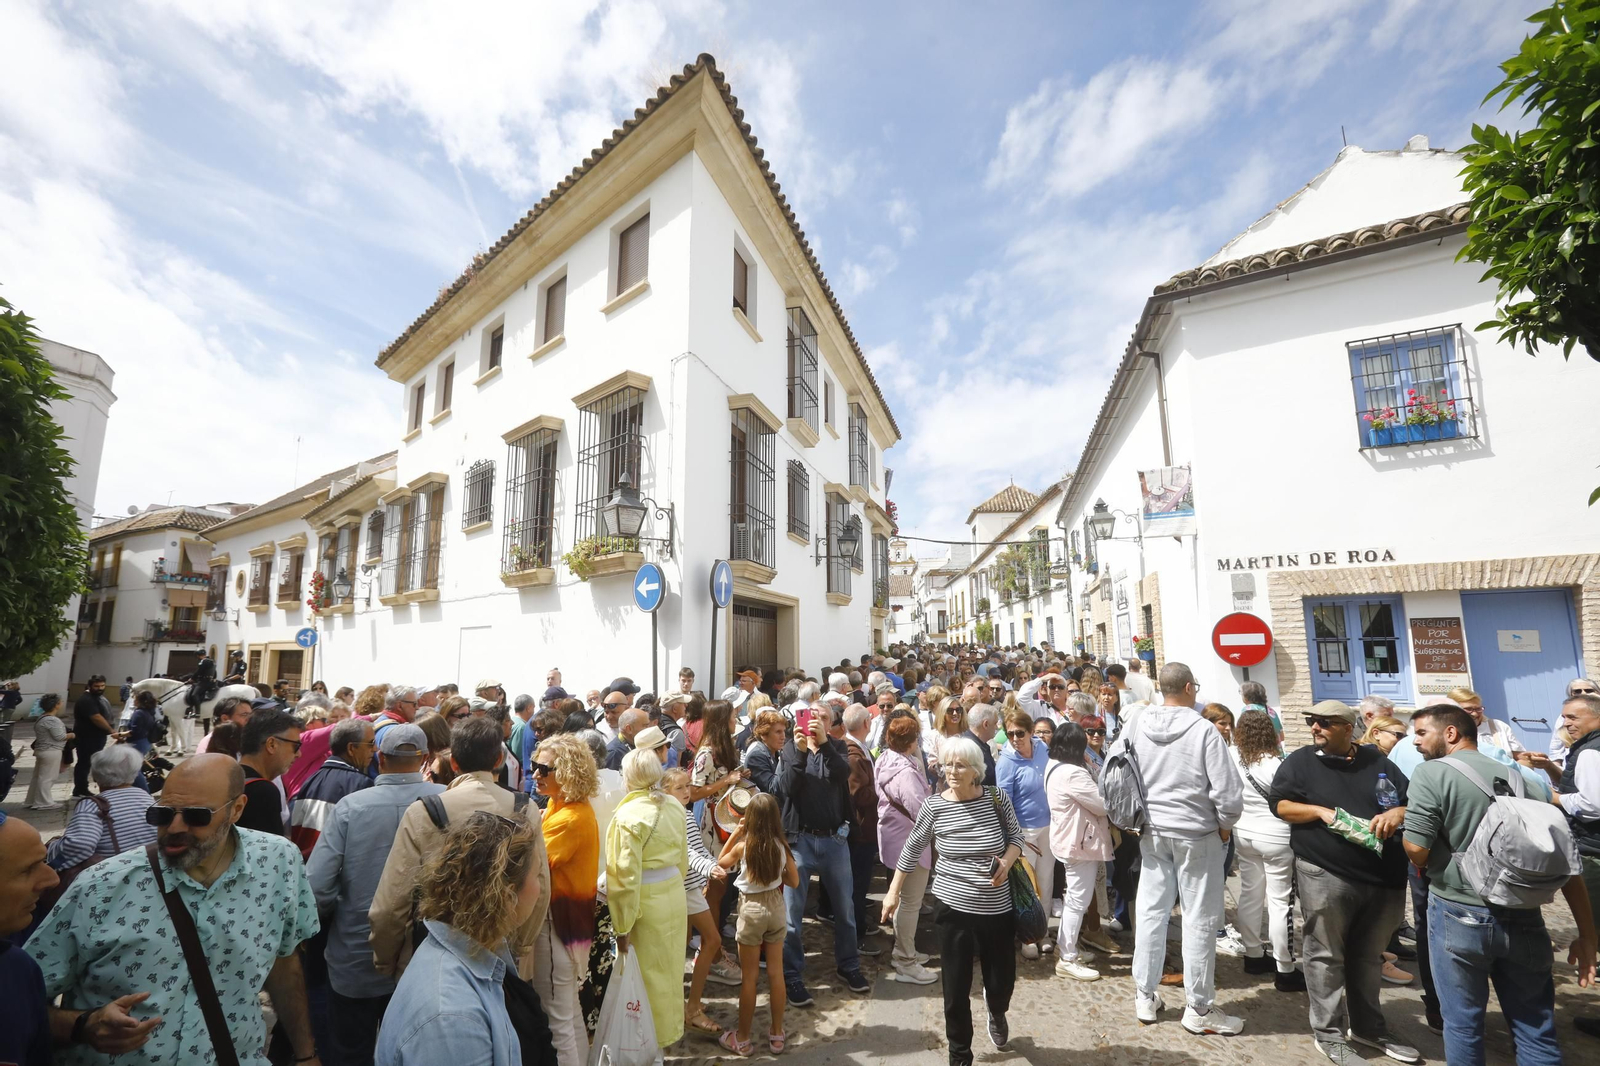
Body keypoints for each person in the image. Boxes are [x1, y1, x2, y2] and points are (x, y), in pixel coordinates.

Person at [29, 754, 324, 1066]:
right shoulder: (101, 887)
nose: (175, 827)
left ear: (236, 810)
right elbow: (17, 998)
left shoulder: (279, 862)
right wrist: (81, 1027)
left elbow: (283, 962)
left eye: (197, 816)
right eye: (163, 813)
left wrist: (305, 1054)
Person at [1403, 703, 1597, 1066]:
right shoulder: (1525, 780)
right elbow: (1567, 862)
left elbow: (1416, 851)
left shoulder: (1431, 775)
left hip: (1457, 912)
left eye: (1421, 732)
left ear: (1450, 733)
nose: (1414, 741)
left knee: (1462, 1025)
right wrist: (1588, 935)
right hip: (1525, 915)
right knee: (1535, 1028)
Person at [1269, 699, 1415, 1064]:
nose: (1315, 727)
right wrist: (1319, 811)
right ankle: (1329, 1033)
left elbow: (1413, 801)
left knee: (1367, 957)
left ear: (1348, 728)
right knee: (1325, 955)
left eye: (1325, 723)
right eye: (1312, 721)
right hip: (1325, 871)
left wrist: (1399, 811)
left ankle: (1369, 1029)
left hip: (1383, 877)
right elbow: (1281, 805)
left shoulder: (1378, 762)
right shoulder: (1301, 762)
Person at [369, 718, 551, 979]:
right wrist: (520, 944)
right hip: (500, 948)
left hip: (434, 953)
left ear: (453, 762)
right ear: (499, 758)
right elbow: (539, 885)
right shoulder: (524, 808)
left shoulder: (423, 812)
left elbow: (391, 903)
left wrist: (386, 960)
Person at [881, 737, 1024, 1066]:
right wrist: (893, 892)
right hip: (952, 907)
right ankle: (959, 1054)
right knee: (956, 987)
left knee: (1002, 980)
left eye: (960, 765)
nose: (952, 772)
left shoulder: (997, 799)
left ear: (976, 770)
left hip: (997, 908)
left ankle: (997, 1010)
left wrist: (1007, 860)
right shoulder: (934, 806)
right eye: (947, 765)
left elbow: (1016, 837)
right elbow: (912, 849)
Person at [306, 723, 443, 1066]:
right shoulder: (447, 799)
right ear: (425, 758)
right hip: (427, 956)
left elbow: (318, 887)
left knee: (351, 1051)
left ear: (380, 758)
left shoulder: (352, 807)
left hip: (357, 952)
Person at [377, 810, 557, 1066]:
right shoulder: (452, 1018)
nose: (541, 888)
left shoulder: (479, 952)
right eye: (538, 874)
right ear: (507, 897)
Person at [1128, 661, 1244, 1034]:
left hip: (1153, 831)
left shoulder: (1137, 724)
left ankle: (1145, 995)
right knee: (1200, 918)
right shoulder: (1204, 731)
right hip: (1197, 833)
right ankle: (1199, 1007)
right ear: (1190, 688)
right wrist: (1225, 826)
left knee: (1151, 912)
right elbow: (1228, 794)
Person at [774, 705, 869, 1004]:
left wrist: (824, 746)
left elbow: (841, 775)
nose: (816, 722)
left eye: (823, 718)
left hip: (833, 841)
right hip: (800, 841)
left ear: (831, 724)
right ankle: (792, 975)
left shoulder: (838, 747)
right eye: (811, 717)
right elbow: (786, 788)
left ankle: (849, 965)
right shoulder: (791, 749)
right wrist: (802, 752)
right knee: (792, 915)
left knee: (845, 910)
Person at [605, 747, 689, 1049]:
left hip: (646, 903)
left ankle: (646, 1044)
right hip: (673, 894)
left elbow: (623, 877)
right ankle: (667, 1035)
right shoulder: (673, 805)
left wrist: (622, 925)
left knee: (646, 979)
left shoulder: (627, 815)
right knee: (670, 971)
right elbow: (683, 860)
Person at [530, 734, 600, 1066]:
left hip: (557, 924)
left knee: (558, 1022)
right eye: (534, 766)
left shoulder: (569, 818)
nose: (535, 775)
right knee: (569, 1012)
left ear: (568, 771)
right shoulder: (563, 807)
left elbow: (529, 863)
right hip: (569, 926)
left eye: (544, 768)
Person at [718, 792, 801, 1056]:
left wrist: (736, 833)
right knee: (776, 974)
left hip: (751, 909)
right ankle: (777, 1034)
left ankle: (742, 1038)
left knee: (749, 979)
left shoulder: (745, 846)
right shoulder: (781, 846)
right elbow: (795, 881)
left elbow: (721, 862)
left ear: (749, 818)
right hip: (775, 908)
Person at [1228, 709, 1301, 991]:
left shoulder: (1232, 756)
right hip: (1276, 837)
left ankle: (1254, 955)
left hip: (1243, 833)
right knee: (1280, 903)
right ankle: (1285, 968)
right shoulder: (1276, 764)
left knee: (1249, 895)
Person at [1046, 722, 1112, 981]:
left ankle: (1066, 947)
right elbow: (1102, 805)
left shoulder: (1054, 765)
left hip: (1069, 839)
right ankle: (1067, 957)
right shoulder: (1074, 773)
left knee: (1074, 898)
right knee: (1077, 901)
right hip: (1079, 843)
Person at [875, 715, 937, 985]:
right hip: (909, 841)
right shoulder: (907, 773)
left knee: (903, 900)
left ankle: (904, 950)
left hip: (893, 835)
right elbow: (921, 812)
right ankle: (905, 960)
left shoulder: (885, 759)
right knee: (910, 902)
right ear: (912, 742)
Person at [1555, 691, 1600, 1037]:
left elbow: (1593, 804)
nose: (1567, 724)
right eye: (1565, 718)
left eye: (1574, 718)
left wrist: (1554, 797)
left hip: (1593, 851)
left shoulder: (1590, 752)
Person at [1, 809, 61, 1066]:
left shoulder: (18, 969)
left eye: (44, 863)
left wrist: (84, 1027)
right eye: (27, 870)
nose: (52, 879)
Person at [997, 706, 1053, 960]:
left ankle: (1044, 931)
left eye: (1020, 733)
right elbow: (1003, 801)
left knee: (1047, 878)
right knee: (1026, 885)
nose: (1015, 739)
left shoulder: (1043, 748)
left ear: (1031, 731)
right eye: (1010, 734)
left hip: (1049, 824)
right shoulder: (1007, 761)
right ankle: (1028, 936)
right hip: (1024, 830)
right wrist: (1016, 837)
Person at [45, 746, 157, 871]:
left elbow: (79, 844)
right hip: (150, 871)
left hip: (116, 875)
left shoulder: (93, 805)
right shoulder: (146, 798)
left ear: (95, 776)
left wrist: (51, 851)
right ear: (135, 773)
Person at [289, 718, 375, 860]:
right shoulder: (361, 784)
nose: (375, 749)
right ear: (351, 748)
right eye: (371, 743)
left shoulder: (310, 780)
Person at [842, 706, 882, 958]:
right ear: (866, 723)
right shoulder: (853, 754)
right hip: (860, 829)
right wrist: (883, 789)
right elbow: (856, 793)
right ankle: (855, 936)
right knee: (857, 884)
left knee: (860, 883)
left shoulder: (859, 748)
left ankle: (860, 925)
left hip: (865, 827)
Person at [238, 706, 304, 835]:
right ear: (272, 745)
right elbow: (270, 852)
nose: (299, 754)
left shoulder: (227, 778)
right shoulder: (263, 791)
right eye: (295, 746)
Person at [24, 693, 70, 810]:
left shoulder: (42, 717)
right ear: (56, 705)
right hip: (51, 750)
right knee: (48, 777)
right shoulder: (52, 720)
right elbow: (60, 736)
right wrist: (71, 735)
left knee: (38, 776)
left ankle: (32, 800)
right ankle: (44, 802)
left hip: (42, 749)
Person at [71, 675, 113, 798]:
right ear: (89, 686)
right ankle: (80, 789)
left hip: (97, 737)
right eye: (96, 686)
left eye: (102, 686)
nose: (100, 688)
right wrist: (111, 730)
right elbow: (96, 717)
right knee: (84, 763)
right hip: (87, 737)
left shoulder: (98, 698)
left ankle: (82, 788)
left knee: (89, 763)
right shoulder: (86, 700)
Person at [1448, 686, 1523, 754]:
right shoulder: (1445, 732)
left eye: (1478, 709)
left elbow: (1520, 757)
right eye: (1468, 709)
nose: (1475, 714)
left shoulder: (1499, 727)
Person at [742, 710, 786, 794]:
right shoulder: (756, 756)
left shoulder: (776, 751)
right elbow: (772, 789)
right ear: (764, 735)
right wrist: (783, 760)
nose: (783, 736)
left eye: (784, 731)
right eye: (778, 732)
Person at [962, 704, 1000, 786]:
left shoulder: (981, 745)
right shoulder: (968, 749)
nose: (997, 727)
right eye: (995, 723)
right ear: (985, 724)